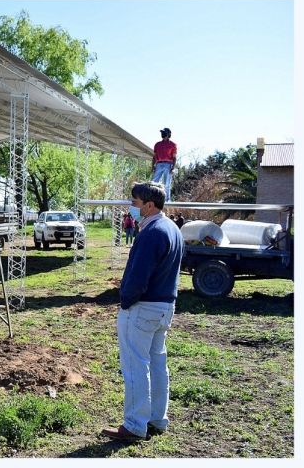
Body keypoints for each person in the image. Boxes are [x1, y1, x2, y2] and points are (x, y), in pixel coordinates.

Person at [102, 181, 184, 442]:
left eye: (135, 203)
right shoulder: (172, 228)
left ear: (149, 205)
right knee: (158, 363)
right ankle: (157, 419)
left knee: (135, 366)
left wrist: (126, 300)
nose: (131, 207)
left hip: (142, 308)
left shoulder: (151, 233)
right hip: (164, 306)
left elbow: (138, 277)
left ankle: (135, 425)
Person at [150, 128, 177, 201]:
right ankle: (151, 198)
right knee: (153, 182)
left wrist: (173, 168)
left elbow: (174, 157)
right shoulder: (157, 144)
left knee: (167, 184)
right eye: (162, 133)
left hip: (168, 165)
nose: (163, 134)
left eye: (164, 133)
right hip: (158, 164)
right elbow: (154, 156)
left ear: (168, 134)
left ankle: (167, 201)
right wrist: (153, 167)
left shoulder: (172, 145)